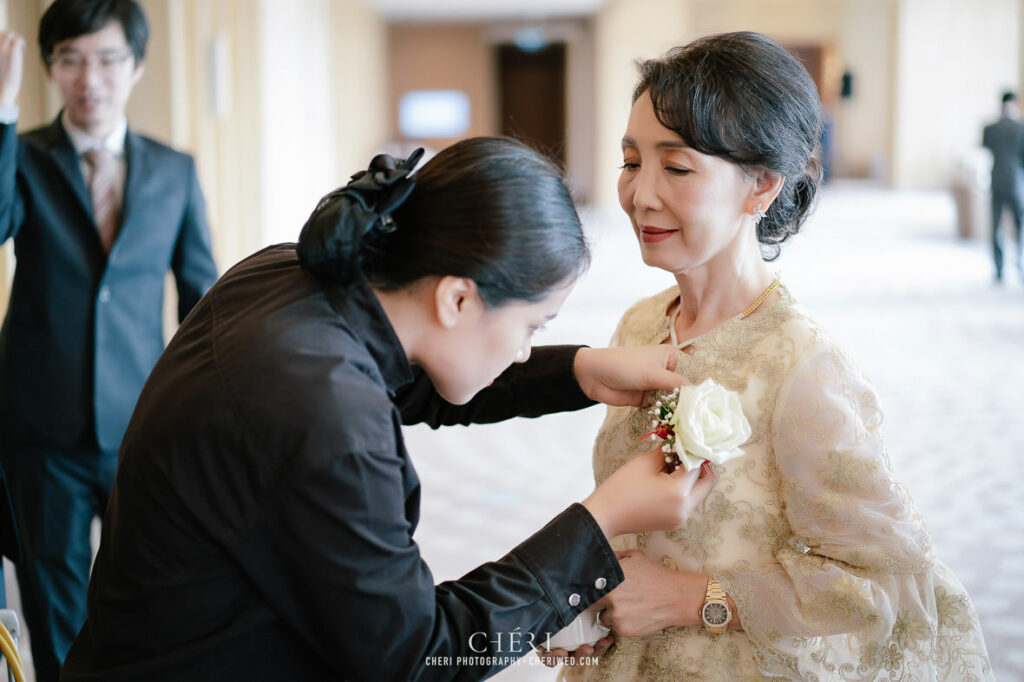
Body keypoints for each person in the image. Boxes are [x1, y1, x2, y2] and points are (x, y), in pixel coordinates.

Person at [60, 137, 715, 681]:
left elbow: (407, 377)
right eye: (532, 328)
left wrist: (578, 370)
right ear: (457, 299)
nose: (523, 353)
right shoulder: (325, 417)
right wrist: (600, 524)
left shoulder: (290, 276)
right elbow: (418, 655)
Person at [555, 32, 993, 680]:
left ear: (761, 185)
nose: (640, 195)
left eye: (675, 168)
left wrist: (686, 600)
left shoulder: (802, 367)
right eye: (629, 162)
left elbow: (890, 586)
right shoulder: (640, 323)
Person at [0, 1, 218, 679]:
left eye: (105, 58)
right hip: (41, 431)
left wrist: (208, 412)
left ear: (137, 66)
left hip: (142, 423)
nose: (88, 77)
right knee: (54, 603)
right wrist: (1, 118)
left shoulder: (174, 171)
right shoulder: (24, 157)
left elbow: (200, 297)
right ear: (48, 69)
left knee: (153, 591)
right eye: (69, 59)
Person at [982, 90, 1024, 283]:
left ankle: (999, 269)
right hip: (1015, 183)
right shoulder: (1020, 129)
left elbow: (985, 150)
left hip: (996, 181)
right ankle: (1019, 262)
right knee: (1019, 226)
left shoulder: (990, 129)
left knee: (996, 227)